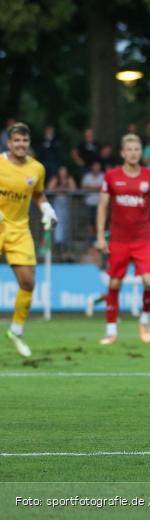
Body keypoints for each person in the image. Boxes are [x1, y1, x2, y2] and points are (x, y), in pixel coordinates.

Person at [96, 134, 150, 345]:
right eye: (130, 149)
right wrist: (100, 235)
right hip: (118, 239)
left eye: (137, 149)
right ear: (122, 153)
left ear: (141, 152)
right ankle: (111, 331)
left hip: (143, 239)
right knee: (115, 283)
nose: (133, 153)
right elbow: (102, 206)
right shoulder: (111, 176)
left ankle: (145, 320)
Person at [1, 123, 57, 357]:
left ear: (29, 143)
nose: (21, 144)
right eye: (17, 140)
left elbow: (38, 194)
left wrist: (47, 209)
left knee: (28, 282)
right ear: (9, 143)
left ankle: (16, 331)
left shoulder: (37, 169)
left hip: (18, 229)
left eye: (24, 140)